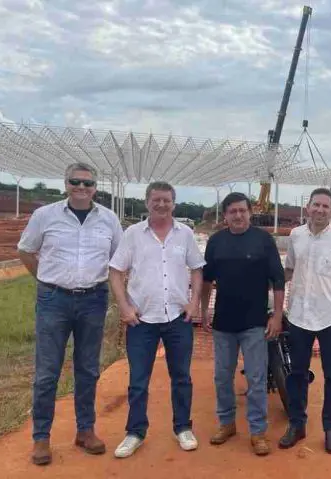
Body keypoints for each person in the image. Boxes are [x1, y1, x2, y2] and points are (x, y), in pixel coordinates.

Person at [17, 162, 123, 466]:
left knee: (88, 368)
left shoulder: (109, 219)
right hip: (54, 300)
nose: (81, 188)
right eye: (76, 182)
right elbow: (25, 250)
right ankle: (41, 437)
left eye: (88, 183)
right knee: (47, 371)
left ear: (95, 188)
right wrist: (45, 279)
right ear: (66, 184)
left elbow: (119, 258)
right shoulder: (45, 215)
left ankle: (85, 430)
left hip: (93, 299)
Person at [107, 181, 205, 458]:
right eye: (156, 200)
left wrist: (194, 303)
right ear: (147, 202)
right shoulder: (133, 234)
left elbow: (197, 269)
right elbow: (115, 272)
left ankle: (183, 427)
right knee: (139, 380)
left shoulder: (185, 234)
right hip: (141, 321)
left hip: (177, 319)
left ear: (174, 203)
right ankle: (135, 432)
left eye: (166, 200)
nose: (161, 204)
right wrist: (124, 307)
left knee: (181, 377)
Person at [200, 192, 286, 456]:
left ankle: (258, 431)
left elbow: (278, 279)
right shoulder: (216, 242)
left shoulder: (263, 240)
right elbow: (206, 280)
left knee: (256, 378)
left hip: (255, 323)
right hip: (224, 323)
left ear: (250, 212)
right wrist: (204, 311)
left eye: (242, 210)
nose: (237, 215)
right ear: (225, 215)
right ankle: (227, 423)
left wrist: (277, 315)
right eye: (232, 211)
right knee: (222, 377)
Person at [278, 187, 331, 454]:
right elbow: (289, 270)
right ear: (308, 207)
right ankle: (297, 424)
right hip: (299, 317)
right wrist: (266, 284)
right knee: (297, 374)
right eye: (316, 205)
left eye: (326, 206)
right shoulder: (296, 236)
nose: (320, 210)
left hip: (330, 318)